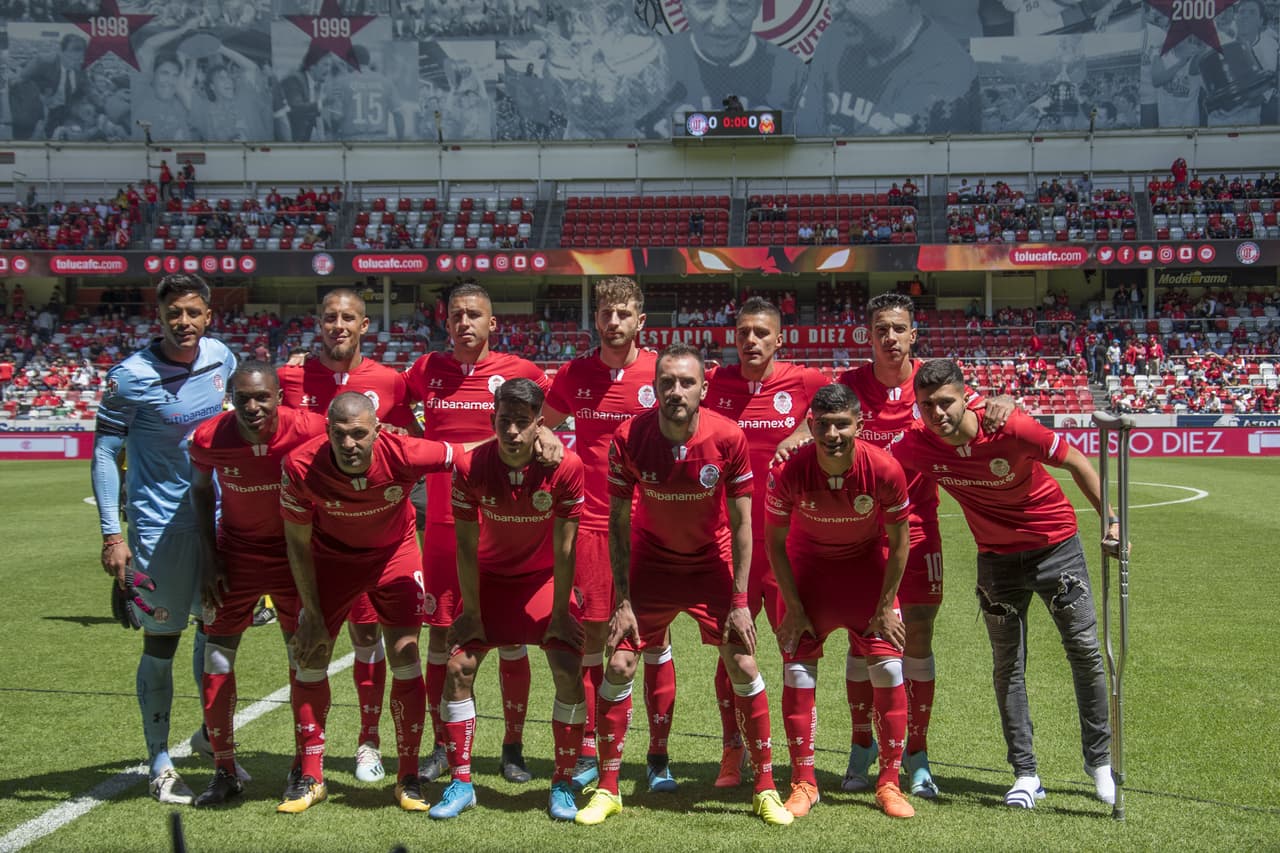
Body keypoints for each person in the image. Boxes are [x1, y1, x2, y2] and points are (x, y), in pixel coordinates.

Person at [574, 343, 793, 827]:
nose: (676, 391)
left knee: (742, 659)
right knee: (623, 661)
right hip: (651, 562)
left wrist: (738, 600)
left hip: (707, 562)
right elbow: (616, 521)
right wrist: (624, 600)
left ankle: (765, 787)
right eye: (667, 382)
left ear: (703, 388)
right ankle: (608, 789)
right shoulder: (630, 435)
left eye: (686, 382)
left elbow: (741, 526)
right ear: (654, 386)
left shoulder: (728, 437)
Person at [893, 359, 1116, 809]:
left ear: (964, 396)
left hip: (1056, 548)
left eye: (945, 402)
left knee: (1086, 652)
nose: (937, 413)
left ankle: (1100, 763)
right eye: (926, 405)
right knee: (1007, 666)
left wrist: (1110, 522)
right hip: (995, 561)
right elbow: (869, 458)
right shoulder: (916, 445)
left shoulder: (1010, 427)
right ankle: (1026, 773)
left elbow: (1076, 461)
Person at [814, 293, 1011, 798]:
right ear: (869, 334)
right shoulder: (851, 387)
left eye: (898, 328)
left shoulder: (932, 383)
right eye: (881, 328)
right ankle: (862, 747)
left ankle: (916, 756)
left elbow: (981, 408)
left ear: (912, 333)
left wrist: (1003, 402)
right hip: (860, 535)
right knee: (864, 641)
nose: (890, 338)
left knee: (916, 636)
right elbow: (814, 419)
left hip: (919, 532)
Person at [279, 392, 474, 812]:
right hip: (331, 560)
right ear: (328, 431)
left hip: (394, 555)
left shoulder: (403, 452)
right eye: (339, 434)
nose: (349, 444)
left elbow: (465, 455)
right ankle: (311, 777)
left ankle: (407, 777)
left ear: (377, 431)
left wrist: (536, 440)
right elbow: (296, 543)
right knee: (311, 653)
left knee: (405, 655)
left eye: (359, 434)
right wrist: (311, 613)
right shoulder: (300, 465)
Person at [91, 273, 236, 804]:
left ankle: (210, 738)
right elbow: (105, 452)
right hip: (158, 529)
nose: (184, 323)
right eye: (174, 312)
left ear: (208, 315)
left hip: (217, 522)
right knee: (162, 641)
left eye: (193, 312)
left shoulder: (222, 358)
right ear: (160, 315)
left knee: (216, 633)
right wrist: (113, 534)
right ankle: (158, 761)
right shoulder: (128, 378)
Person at [402, 282, 555, 785]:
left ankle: (512, 746)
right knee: (443, 640)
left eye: (474, 315)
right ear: (446, 323)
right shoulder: (425, 372)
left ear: (493, 324)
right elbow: (393, 410)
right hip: (445, 528)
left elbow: (548, 423)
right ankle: (443, 746)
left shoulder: (522, 373)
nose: (464, 323)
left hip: (505, 523)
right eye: (456, 316)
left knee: (510, 641)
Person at [430, 379, 588, 821]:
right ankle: (461, 784)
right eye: (505, 422)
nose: (513, 432)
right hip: (491, 580)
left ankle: (562, 783)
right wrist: (474, 613)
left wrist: (559, 613)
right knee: (458, 666)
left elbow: (565, 547)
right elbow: (465, 545)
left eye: (523, 423)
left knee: (568, 666)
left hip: (540, 582)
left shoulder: (566, 467)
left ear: (541, 425)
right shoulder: (469, 466)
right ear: (492, 421)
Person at [279, 289, 416, 785]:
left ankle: (369, 741)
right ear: (318, 323)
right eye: (329, 317)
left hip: (369, 533)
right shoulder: (290, 376)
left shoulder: (388, 382)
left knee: (368, 635)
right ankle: (306, 758)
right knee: (303, 642)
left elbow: (408, 448)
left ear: (364, 325)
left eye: (348, 317)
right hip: (306, 536)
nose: (338, 325)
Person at [766, 383, 915, 819]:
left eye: (843, 424)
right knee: (796, 673)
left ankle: (889, 782)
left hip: (866, 575)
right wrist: (793, 607)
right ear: (810, 425)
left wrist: (886, 606)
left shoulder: (884, 469)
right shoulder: (790, 471)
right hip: (809, 576)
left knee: (888, 667)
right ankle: (804, 781)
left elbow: (900, 541)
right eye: (824, 424)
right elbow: (775, 544)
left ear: (859, 425)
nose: (833, 433)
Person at [696, 297, 827, 788]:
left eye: (760, 333)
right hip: (729, 541)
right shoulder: (715, 384)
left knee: (797, 648)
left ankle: (803, 770)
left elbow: (851, 397)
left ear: (779, 339)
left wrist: (800, 429)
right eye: (743, 332)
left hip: (790, 542)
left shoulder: (806, 382)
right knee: (731, 648)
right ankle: (734, 753)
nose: (751, 340)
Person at [187, 362, 327, 806]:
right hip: (235, 556)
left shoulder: (310, 428)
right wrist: (209, 560)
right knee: (216, 657)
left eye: (262, 397)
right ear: (231, 396)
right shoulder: (209, 437)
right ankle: (224, 770)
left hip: (294, 557)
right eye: (243, 397)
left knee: (303, 655)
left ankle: (307, 770)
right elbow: (200, 491)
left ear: (279, 396)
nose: (253, 406)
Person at [541, 277, 657, 789]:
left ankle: (657, 756)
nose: (613, 321)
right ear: (597, 319)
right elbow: (544, 424)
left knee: (647, 641)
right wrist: (554, 450)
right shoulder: (573, 374)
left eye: (622, 313)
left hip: (651, 524)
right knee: (591, 637)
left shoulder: (662, 372)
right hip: (590, 522)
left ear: (640, 321)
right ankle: (590, 745)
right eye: (605, 313)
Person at [797, 0, 979, 136]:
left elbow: (876, 157)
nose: (834, 9)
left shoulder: (946, 70)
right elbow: (806, 128)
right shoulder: (836, 37)